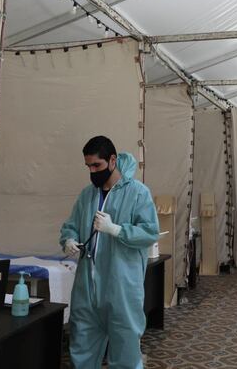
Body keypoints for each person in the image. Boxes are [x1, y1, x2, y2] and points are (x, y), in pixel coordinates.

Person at [60, 136, 160, 369]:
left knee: (125, 352)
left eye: (97, 166)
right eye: (88, 166)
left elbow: (149, 232)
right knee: (82, 347)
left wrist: (116, 230)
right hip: (87, 289)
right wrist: (69, 239)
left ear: (112, 160)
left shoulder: (137, 193)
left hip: (121, 288)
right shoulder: (88, 195)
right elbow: (71, 225)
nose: (93, 172)